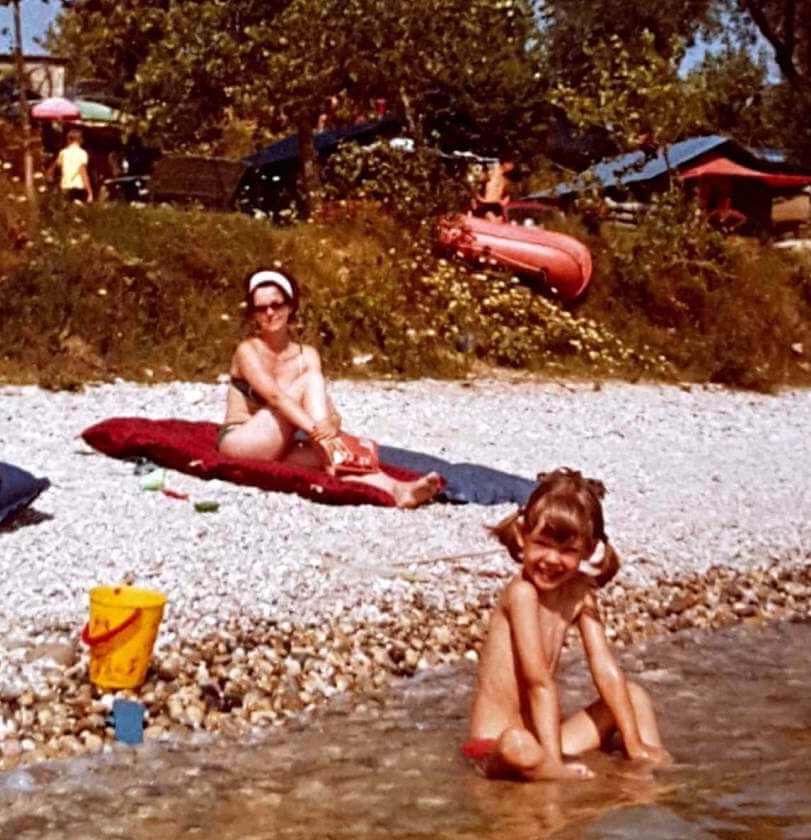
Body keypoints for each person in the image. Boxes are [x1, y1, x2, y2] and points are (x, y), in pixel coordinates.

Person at [464, 468, 669, 780]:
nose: (552, 559)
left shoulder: (580, 592)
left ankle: (646, 772)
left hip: (544, 741)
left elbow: (605, 669)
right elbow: (539, 682)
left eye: (568, 550)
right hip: (495, 746)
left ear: (588, 550)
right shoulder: (522, 594)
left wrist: (634, 743)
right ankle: (551, 772)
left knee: (634, 695)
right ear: (522, 534)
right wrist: (553, 762)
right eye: (542, 543)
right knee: (517, 744)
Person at [217, 268, 443, 509]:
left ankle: (397, 489)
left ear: (290, 306)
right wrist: (320, 434)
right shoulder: (247, 350)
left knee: (338, 455)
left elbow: (328, 409)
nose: (270, 313)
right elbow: (275, 398)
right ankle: (331, 454)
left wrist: (331, 425)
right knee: (312, 383)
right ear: (253, 314)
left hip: (280, 446)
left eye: (276, 304)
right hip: (242, 440)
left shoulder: (307, 355)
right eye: (261, 308)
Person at [47, 127, 93, 204]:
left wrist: (50, 178)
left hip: (65, 187)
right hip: (77, 188)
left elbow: (54, 167)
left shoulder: (63, 153)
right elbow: (82, 171)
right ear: (80, 139)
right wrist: (89, 191)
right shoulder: (82, 153)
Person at [476, 157, 516, 222]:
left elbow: (507, 193)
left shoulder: (505, 178)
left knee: (499, 226)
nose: (512, 167)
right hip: (488, 204)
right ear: (505, 163)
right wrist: (480, 198)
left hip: (497, 205)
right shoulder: (492, 172)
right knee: (492, 222)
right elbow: (478, 181)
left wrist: (505, 200)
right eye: (511, 164)